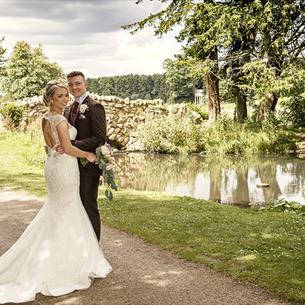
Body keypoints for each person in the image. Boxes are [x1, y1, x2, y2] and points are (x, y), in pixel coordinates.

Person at [0, 81, 112, 303]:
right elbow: (68, 148)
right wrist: (89, 156)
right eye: (60, 96)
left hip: (53, 166)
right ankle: (66, 263)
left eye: (65, 95)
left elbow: (50, 146)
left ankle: (62, 255)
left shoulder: (44, 118)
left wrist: (59, 149)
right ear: (50, 98)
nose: (64, 99)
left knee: (58, 209)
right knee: (68, 209)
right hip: (65, 168)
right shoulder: (60, 119)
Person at [60, 71, 106, 241]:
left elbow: (99, 137)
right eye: (70, 84)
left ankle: (94, 249)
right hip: (71, 166)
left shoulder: (95, 107)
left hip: (89, 165)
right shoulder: (68, 109)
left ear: (85, 84)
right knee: (75, 206)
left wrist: (71, 146)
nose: (74, 87)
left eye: (77, 83)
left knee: (89, 206)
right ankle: (80, 247)